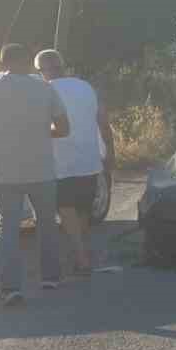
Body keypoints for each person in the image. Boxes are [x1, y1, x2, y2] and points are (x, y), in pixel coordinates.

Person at [0, 43, 70, 306]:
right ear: (28, 63)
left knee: (8, 228)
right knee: (46, 224)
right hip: (41, 169)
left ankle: (11, 288)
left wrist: (0, 136)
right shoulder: (45, 89)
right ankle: (50, 277)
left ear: (2, 63)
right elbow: (63, 129)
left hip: (4, 172)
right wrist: (38, 132)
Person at [34, 48, 114, 276]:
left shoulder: (44, 91)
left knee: (66, 208)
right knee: (82, 210)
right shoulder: (86, 87)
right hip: (90, 160)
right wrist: (110, 154)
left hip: (61, 163)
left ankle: (81, 257)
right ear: (62, 66)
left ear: (41, 71)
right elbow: (104, 123)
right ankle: (81, 252)